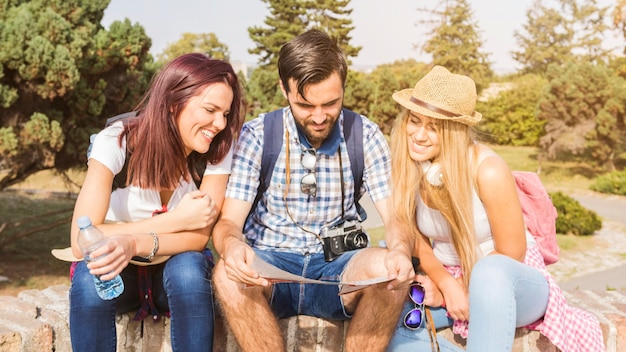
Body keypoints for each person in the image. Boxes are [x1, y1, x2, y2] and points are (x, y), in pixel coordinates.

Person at [211, 29, 415, 352]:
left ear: (343, 86)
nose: (319, 117)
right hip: (272, 267)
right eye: (305, 105)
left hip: (338, 267)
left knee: (388, 270)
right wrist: (233, 247)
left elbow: (396, 218)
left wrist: (401, 251)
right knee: (226, 275)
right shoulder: (257, 135)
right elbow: (228, 223)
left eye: (331, 103)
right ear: (284, 88)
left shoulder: (367, 136)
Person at [386, 65, 605, 351]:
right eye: (414, 121)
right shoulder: (410, 166)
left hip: (509, 282)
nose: (418, 135)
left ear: (455, 132)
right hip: (448, 279)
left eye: (434, 127)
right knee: (388, 320)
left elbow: (512, 252)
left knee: (490, 272)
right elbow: (415, 238)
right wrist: (446, 285)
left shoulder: (487, 170)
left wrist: (464, 286)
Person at [68, 53, 244, 352]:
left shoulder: (218, 149)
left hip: (172, 279)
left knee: (189, 268)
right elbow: (78, 240)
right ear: (174, 102)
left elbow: (198, 238)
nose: (219, 123)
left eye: (225, 113)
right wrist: (175, 221)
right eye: (211, 110)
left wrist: (132, 242)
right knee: (89, 276)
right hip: (116, 277)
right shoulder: (117, 141)